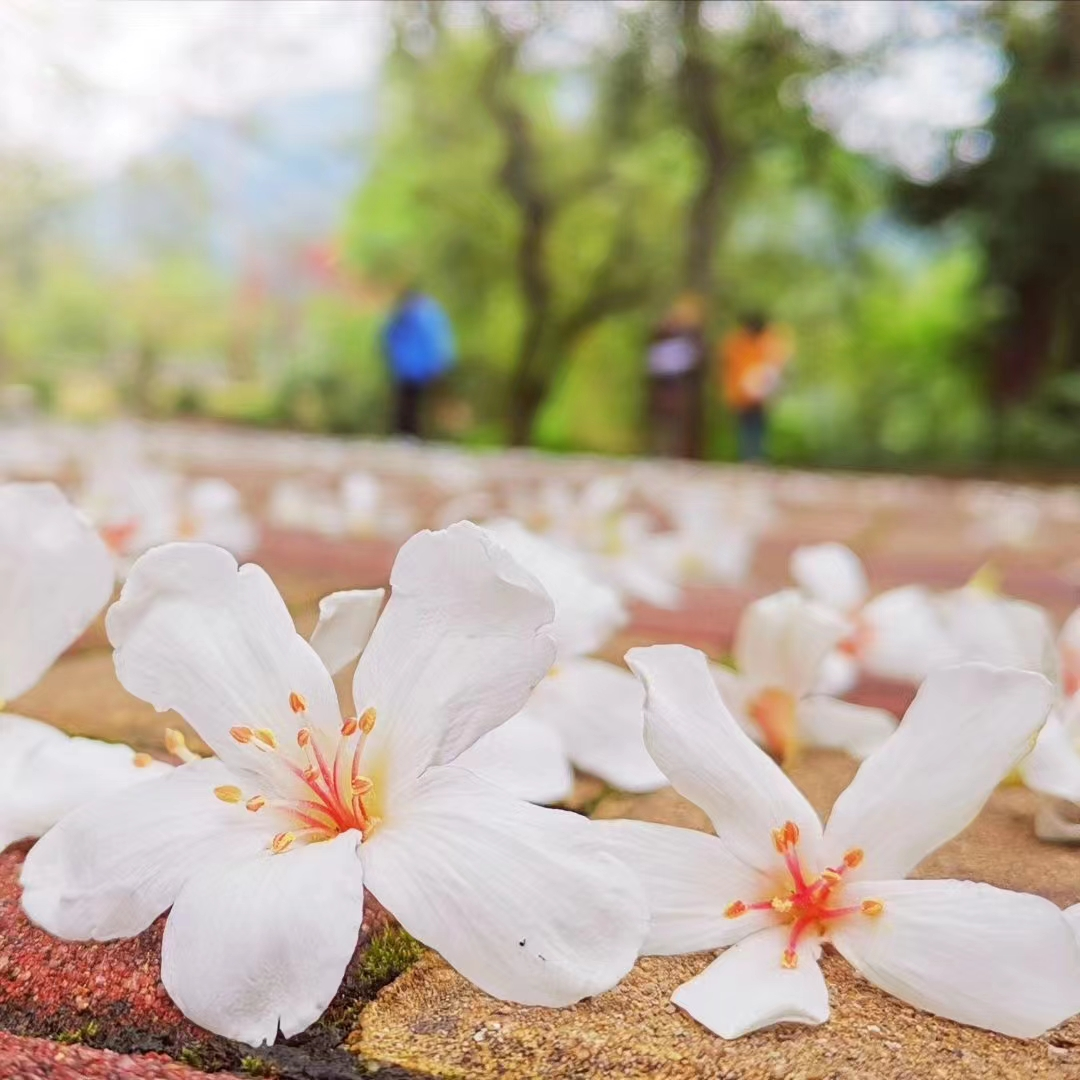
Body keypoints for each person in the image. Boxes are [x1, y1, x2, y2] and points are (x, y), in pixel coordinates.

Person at [381, 289, 456, 438]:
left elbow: (388, 337)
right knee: (412, 403)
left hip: (411, 368)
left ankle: (408, 434)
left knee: (409, 403)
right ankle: (410, 434)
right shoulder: (430, 314)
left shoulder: (412, 315)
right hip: (417, 368)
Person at [719, 313, 791, 462]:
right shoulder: (737, 343)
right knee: (746, 426)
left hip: (760, 396)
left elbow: (777, 365)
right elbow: (730, 369)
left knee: (758, 425)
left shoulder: (767, 342)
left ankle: (757, 456)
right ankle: (748, 456)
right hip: (741, 395)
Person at [645, 294, 706, 458]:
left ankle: (680, 453)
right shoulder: (662, 333)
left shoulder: (693, 336)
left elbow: (699, 359)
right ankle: (661, 451)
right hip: (664, 385)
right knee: (664, 421)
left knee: (682, 423)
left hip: (683, 387)